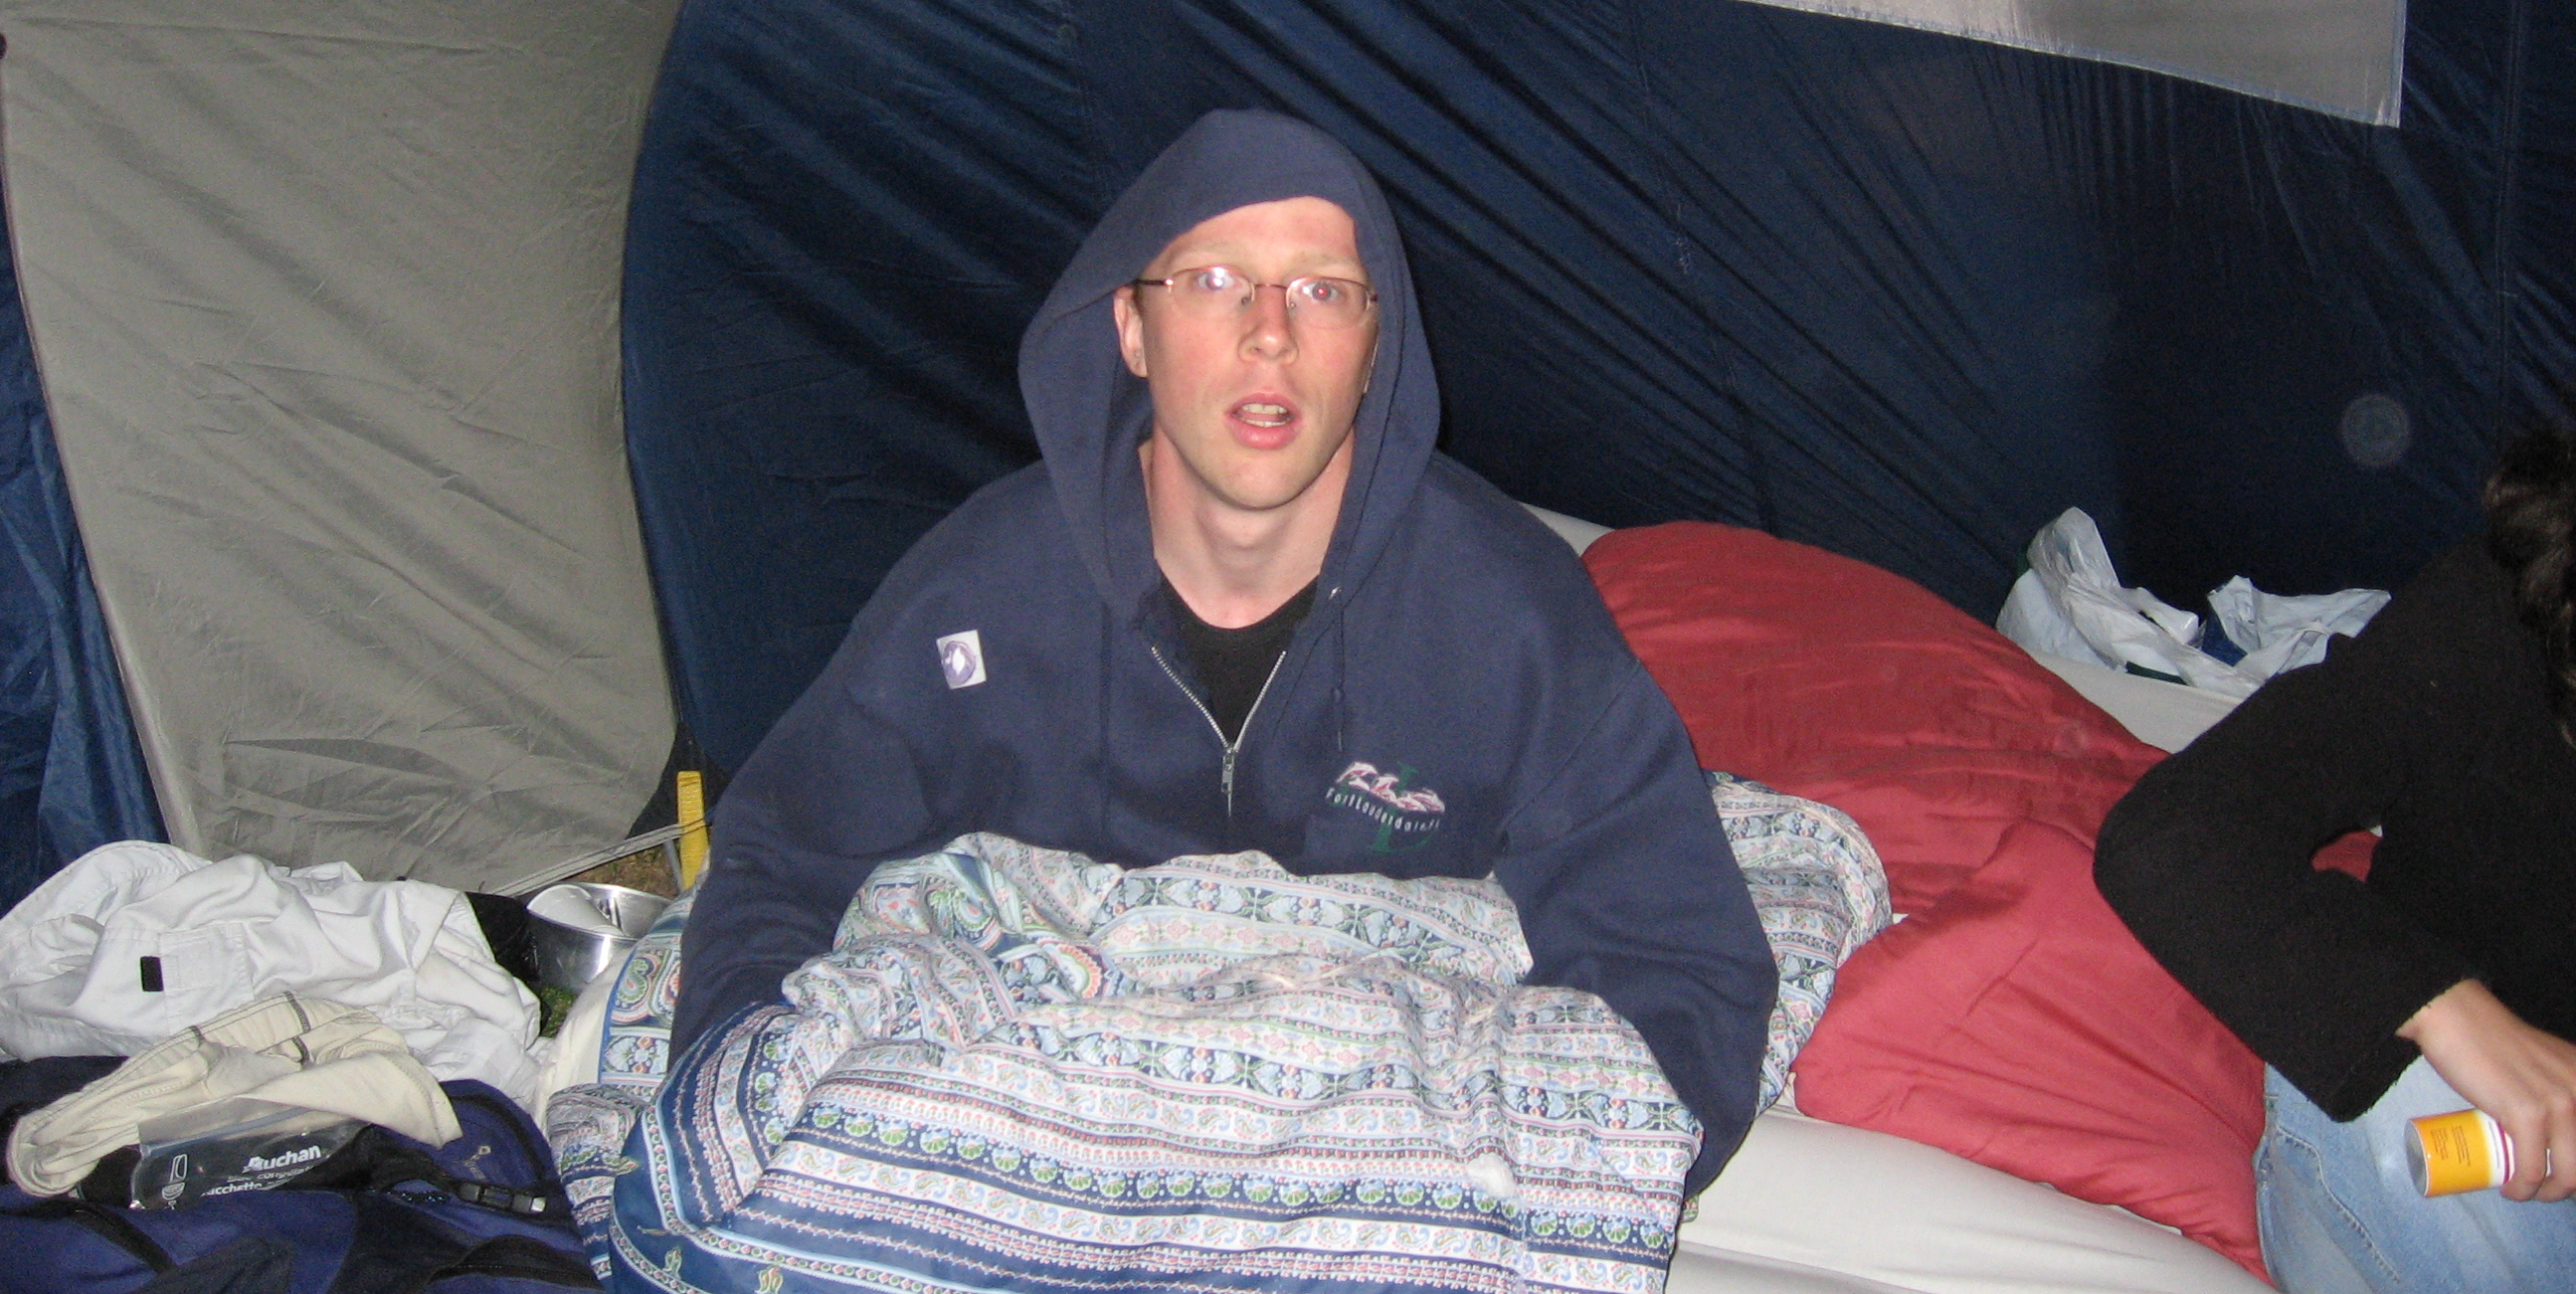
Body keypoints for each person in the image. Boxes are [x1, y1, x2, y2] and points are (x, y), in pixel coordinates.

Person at [672, 108, 1778, 1192]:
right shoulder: (979, 594)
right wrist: (749, 1109)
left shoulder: (1506, 615)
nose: (1269, 332)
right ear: (1130, 330)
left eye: (1322, 291)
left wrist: (1527, 1194)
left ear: (1376, 347)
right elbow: (780, 860)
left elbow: (1677, 964)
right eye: (1212, 282)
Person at [2095, 277, 2576, 1294]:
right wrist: (2452, 1014)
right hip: (2459, 1177)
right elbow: (2174, 832)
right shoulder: (2498, 621)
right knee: (2378, 1084)